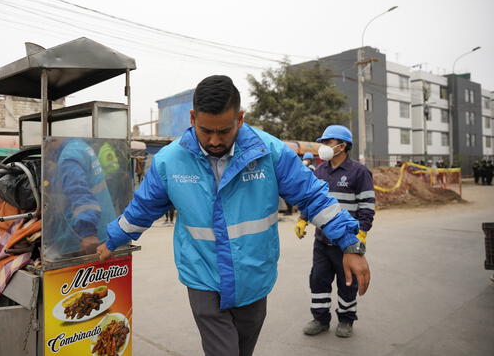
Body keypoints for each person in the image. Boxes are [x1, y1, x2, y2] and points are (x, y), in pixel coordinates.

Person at [96, 75, 370, 356]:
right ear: (192, 118)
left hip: (254, 274)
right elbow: (142, 208)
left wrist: (349, 243)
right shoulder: (169, 161)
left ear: (240, 118)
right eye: (206, 131)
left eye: (224, 131)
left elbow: (312, 196)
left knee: (242, 349)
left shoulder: (270, 152)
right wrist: (113, 238)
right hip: (201, 275)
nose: (214, 141)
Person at [294, 125, 375, 338]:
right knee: (318, 280)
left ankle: (346, 320)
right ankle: (320, 319)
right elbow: (311, 200)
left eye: (328, 142)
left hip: (347, 242)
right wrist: (303, 218)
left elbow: (367, 205)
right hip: (322, 241)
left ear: (343, 145)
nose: (324, 147)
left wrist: (362, 232)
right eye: (324, 142)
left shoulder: (359, 172)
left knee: (347, 282)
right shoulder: (319, 171)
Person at [44, 138, 118, 259]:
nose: (46, 153)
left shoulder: (68, 157)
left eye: (45, 147)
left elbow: (79, 193)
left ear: (53, 140)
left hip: (87, 238)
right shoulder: (80, 147)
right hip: (104, 230)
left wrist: (87, 233)